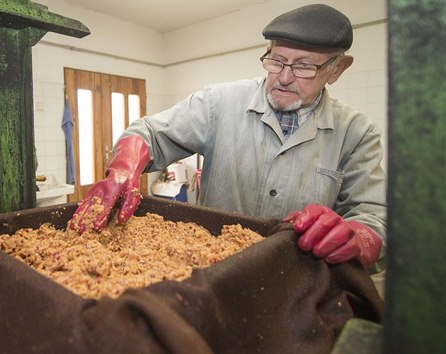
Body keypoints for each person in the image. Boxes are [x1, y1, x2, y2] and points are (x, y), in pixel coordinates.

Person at [69, 4, 386, 271]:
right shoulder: (219, 104)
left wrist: (355, 237)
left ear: (336, 69)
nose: (285, 77)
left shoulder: (357, 133)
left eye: (303, 66)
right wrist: (124, 168)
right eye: (276, 60)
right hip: (212, 272)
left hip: (294, 280)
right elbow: (148, 132)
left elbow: (373, 220)